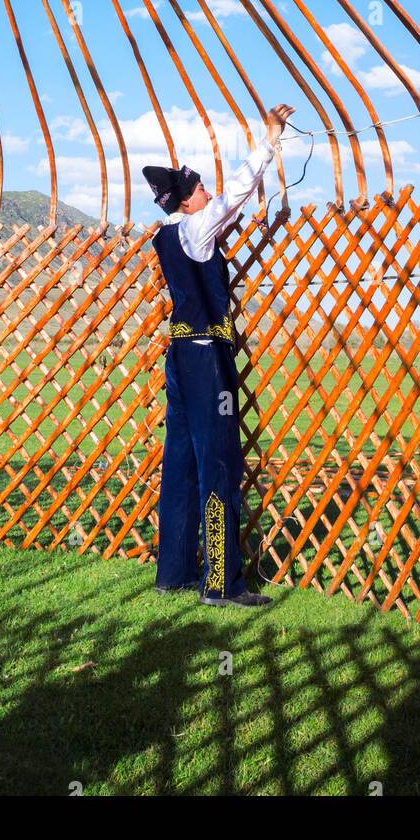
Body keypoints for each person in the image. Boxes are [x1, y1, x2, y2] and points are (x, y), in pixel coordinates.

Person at [143, 104, 295, 608]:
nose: (208, 193)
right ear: (187, 202)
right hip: (208, 357)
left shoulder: (167, 236)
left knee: (181, 461)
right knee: (218, 463)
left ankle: (173, 573)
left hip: (180, 355)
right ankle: (222, 583)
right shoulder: (197, 227)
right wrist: (268, 143)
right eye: (200, 190)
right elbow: (237, 193)